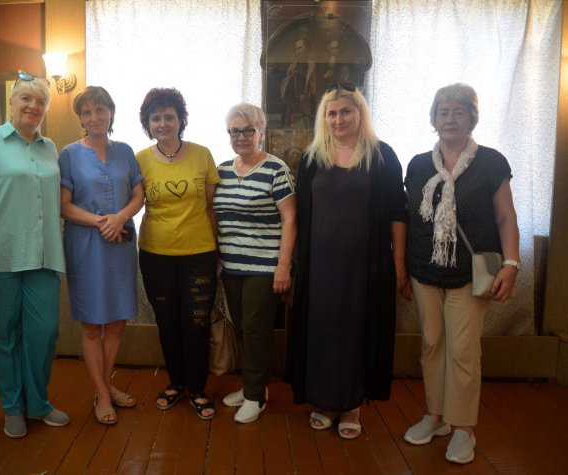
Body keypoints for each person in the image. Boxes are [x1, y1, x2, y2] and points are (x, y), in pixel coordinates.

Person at [283, 84, 409, 439]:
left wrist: (399, 262)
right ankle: (325, 400)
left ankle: (351, 405)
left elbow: (397, 213)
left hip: (364, 268)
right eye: (332, 113)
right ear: (324, 118)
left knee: (356, 332)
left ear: (360, 113)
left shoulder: (382, 156)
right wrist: (290, 262)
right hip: (319, 267)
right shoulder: (312, 157)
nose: (339, 119)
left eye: (346, 112)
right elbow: (299, 214)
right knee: (321, 330)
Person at [403, 83, 519, 464]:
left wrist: (511, 265)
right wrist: (402, 266)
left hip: (470, 274)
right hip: (424, 270)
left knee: (463, 351)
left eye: (458, 112)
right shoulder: (418, 165)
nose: (449, 119)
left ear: (472, 118)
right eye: (443, 112)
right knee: (431, 345)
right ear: (434, 119)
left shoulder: (491, 162)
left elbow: (506, 217)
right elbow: (408, 216)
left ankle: (464, 429)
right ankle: (435, 417)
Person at [0, 72, 68, 439]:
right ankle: (11, 407)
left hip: (43, 256)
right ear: (11, 103)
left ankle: (37, 403)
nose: (33, 106)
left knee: (44, 333)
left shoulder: (50, 147)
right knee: (4, 336)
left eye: (40, 102)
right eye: (26, 99)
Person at [59, 86, 144, 425]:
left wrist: (119, 218)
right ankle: (103, 393)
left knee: (118, 322)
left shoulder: (125, 151)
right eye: (87, 112)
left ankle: (104, 386)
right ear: (80, 118)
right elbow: (64, 206)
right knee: (92, 325)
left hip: (121, 244)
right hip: (85, 246)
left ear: (111, 112)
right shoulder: (68, 154)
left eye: (100, 110)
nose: (94, 117)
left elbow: (138, 195)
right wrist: (102, 221)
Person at [136, 87, 220, 420]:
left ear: (180, 119)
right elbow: (132, 201)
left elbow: (210, 206)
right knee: (168, 323)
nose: (163, 123)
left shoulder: (202, 154)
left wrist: (218, 253)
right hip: (155, 254)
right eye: (155, 118)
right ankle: (177, 383)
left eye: (169, 116)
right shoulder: (140, 159)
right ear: (147, 123)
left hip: (199, 252)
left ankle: (198, 389)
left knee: (197, 323)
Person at [213, 103, 297, 423]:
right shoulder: (221, 170)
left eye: (248, 130)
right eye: (235, 131)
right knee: (243, 330)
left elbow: (290, 219)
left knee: (256, 330)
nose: (241, 136)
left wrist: (283, 266)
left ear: (261, 133)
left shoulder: (276, 170)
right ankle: (254, 387)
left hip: (264, 267)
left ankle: (255, 397)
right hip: (230, 266)